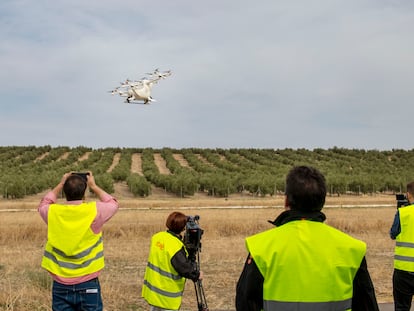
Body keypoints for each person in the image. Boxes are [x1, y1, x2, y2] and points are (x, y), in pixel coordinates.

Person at [236, 165, 379, 311]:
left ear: (286, 201)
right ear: (322, 201)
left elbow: (245, 303)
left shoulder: (261, 248)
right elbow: (367, 305)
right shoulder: (352, 249)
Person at [38, 171, 119, 311]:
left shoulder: (53, 213)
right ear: (84, 191)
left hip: (60, 283)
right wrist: (94, 186)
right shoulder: (94, 211)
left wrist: (60, 184)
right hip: (88, 282)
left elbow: (44, 203)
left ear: (64, 192)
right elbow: (113, 203)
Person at [142, 211, 203, 311]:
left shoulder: (157, 237)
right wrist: (197, 275)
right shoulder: (176, 247)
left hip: (154, 294)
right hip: (167, 298)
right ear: (183, 228)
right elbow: (184, 268)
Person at [390, 181, 414, 310]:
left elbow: (393, 234)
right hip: (403, 270)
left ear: (408, 195)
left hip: (403, 271)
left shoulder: (403, 213)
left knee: (401, 307)